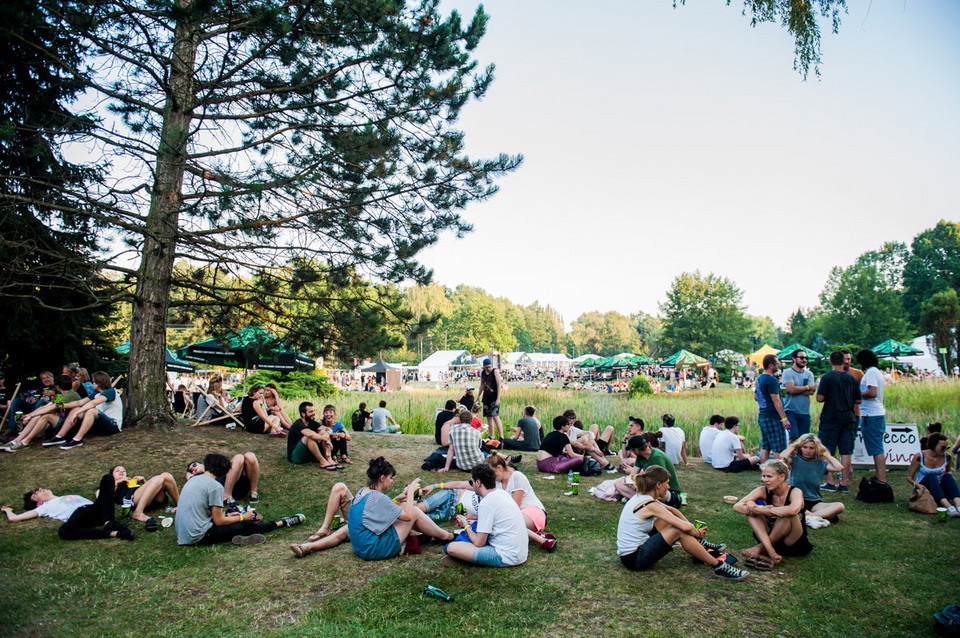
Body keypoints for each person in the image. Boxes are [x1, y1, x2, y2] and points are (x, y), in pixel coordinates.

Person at [290, 457, 455, 560]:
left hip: (360, 545)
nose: (392, 482)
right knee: (414, 512)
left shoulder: (364, 492)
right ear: (382, 478)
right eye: (390, 478)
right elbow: (407, 515)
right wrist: (411, 491)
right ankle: (447, 536)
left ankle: (308, 546)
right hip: (374, 549)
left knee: (405, 509)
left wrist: (397, 499)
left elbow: (380, 508)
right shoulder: (378, 497)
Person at [616, 466, 747, 580]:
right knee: (678, 530)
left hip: (632, 552)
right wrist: (695, 532)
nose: (668, 487)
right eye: (667, 483)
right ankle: (719, 566)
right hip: (634, 559)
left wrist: (693, 533)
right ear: (658, 485)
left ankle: (699, 547)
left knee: (670, 521)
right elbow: (684, 527)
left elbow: (673, 511)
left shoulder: (643, 497)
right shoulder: (649, 504)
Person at [176, 453, 304, 546]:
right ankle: (281, 523)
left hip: (183, 534)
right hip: (198, 536)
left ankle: (240, 533)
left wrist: (228, 515)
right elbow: (219, 521)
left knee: (234, 520)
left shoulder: (193, 480)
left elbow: (205, 512)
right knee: (244, 525)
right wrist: (243, 517)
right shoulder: (214, 486)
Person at [3, 472, 134, 541]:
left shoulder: (64, 496)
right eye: (37, 494)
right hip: (79, 515)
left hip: (94, 509)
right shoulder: (44, 507)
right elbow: (14, 518)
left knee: (107, 478)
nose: (41, 490)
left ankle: (109, 522)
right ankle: (114, 533)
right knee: (64, 532)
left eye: (39, 489)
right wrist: (7, 510)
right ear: (38, 503)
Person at [442, 463, 529, 567]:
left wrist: (466, 525)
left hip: (506, 556)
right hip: (520, 552)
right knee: (470, 534)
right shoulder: (502, 493)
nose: (472, 485)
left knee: (451, 548)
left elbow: (479, 543)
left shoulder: (487, 503)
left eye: (471, 482)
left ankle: (463, 558)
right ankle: (466, 556)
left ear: (478, 483)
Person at [734, 459, 812, 569]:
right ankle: (771, 551)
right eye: (764, 476)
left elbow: (793, 509)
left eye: (769, 476)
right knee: (751, 513)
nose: (765, 480)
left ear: (782, 477)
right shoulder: (762, 490)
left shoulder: (795, 492)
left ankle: (760, 548)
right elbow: (737, 506)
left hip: (791, 541)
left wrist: (766, 510)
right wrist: (756, 509)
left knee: (788, 515)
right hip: (769, 537)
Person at [484, 452, 557, 551]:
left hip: (533, 511)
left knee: (506, 522)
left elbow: (514, 507)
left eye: (491, 474)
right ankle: (534, 535)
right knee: (502, 528)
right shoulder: (497, 483)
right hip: (516, 515)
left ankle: (543, 540)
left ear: (499, 468)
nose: (491, 477)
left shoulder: (517, 477)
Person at [816, 350, 861, 492]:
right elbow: (858, 400)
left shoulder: (827, 377)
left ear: (830, 362)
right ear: (844, 362)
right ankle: (843, 482)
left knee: (828, 450)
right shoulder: (852, 378)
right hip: (849, 417)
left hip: (831, 417)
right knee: (846, 451)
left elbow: (819, 398)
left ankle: (830, 481)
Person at [44, 371, 122, 449]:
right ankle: (60, 436)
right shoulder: (96, 393)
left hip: (113, 425)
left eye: (94, 381)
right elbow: (80, 402)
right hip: (98, 425)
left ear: (99, 382)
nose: (92, 383)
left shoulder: (111, 391)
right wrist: (64, 406)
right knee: (77, 409)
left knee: (91, 411)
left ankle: (77, 439)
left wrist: (78, 412)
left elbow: (93, 403)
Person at [3, 375, 80, 451]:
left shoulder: (70, 395)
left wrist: (31, 415)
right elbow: (44, 407)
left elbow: (51, 408)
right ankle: (16, 440)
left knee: (46, 416)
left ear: (57, 387)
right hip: (63, 420)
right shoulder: (60, 396)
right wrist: (28, 415)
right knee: (38, 416)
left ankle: (25, 442)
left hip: (70, 424)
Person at [781, 434, 845, 521]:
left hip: (814, 501)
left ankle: (810, 515)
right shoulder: (795, 460)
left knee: (840, 506)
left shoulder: (820, 463)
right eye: (805, 447)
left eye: (812, 448)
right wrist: (794, 446)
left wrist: (826, 454)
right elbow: (782, 457)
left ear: (816, 449)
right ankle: (819, 515)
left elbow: (839, 468)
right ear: (800, 448)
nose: (808, 451)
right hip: (797, 499)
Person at [616, 436, 682, 507]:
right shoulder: (640, 458)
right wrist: (633, 483)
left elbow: (661, 482)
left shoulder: (657, 457)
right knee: (619, 483)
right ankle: (644, 501)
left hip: (666, 489)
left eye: (632, 450)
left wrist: (639, 485)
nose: (631, 452)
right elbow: (632, 476)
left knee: (648, 490)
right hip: (650, 487)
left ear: (636, 450)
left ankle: (669, 500)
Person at [110, 465, 180, 531]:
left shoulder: (130, 482)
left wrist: (144, 482)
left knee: (166, 476)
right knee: (158, 478)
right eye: (117, 471)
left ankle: (180, 505)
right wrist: (116, 483)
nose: (121, 472)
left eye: (123, 470)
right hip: (131, 498)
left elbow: (151, 490)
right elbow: (104, 495)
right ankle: (138, 512)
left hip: (151, 500)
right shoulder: (110, 484)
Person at [186, 452, 263, 510]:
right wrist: (189, 473)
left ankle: (254, 493)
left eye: (194, 465)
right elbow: (189, 478)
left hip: (239, 482)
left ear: (202, 463)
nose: (193, 468)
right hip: (226, 490)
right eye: (191, 470)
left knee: (250, 456)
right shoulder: (198, 478)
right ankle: (227, 497)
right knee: (239, 457)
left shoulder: (215, 465)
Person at [907, 432, 960, 517]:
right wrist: (917, 484)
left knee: (948, 476)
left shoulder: (947, 456)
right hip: (924, 488)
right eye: (943, 447)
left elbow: (947, 471)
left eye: (947, 447)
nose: (945, 450)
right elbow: (909, 477)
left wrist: (949, 479)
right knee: (931, 476)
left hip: (939, 487)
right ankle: (949, 507)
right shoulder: (919, 456)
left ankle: (958, 505)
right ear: (933, 446)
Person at [856, 348, 888, 485]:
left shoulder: (871, 373)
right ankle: (879, 476)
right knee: (877, 447)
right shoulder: (876, 372)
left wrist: (857, 393)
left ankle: (881, 479)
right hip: (875, 413)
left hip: (872, 414)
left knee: (877, 448)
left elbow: (872, 393)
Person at [754, 354, 790, 463]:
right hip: (772, 416)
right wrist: (784, 419)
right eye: (777, 364)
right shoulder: (772, 380)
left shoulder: (759, 379)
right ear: (770, 365)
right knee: (778, 447)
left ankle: (764, 470)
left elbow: (756, 397)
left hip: (762, 415)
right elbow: (776, 400)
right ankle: (776, 472)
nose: (778, 366)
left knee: (765, 445)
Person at [782, 349, 816, 442]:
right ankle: (791, 456)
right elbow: (791, 389)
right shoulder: (787, 372)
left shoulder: (809, 374)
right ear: (794, 359)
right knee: (793, 437)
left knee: (804, 440)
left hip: (805, 412)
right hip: (790, 411)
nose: (804, 360)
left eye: (806, 358)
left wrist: (796, 389)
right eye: (801, 357)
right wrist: (808, 387)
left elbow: (812, 391)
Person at [478, 359, 504, 440]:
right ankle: (491, 436)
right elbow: (482, 385)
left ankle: (501, 436)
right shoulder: (483, 373)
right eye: (487, 367)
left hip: (494, 397)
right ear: (484, 367)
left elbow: (499, 385)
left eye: (489, 367)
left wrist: (498, 398)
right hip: (486, 397)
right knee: (488, 417)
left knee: (495, 416)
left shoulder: (495, 372)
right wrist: (478, 396)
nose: (488, 369)